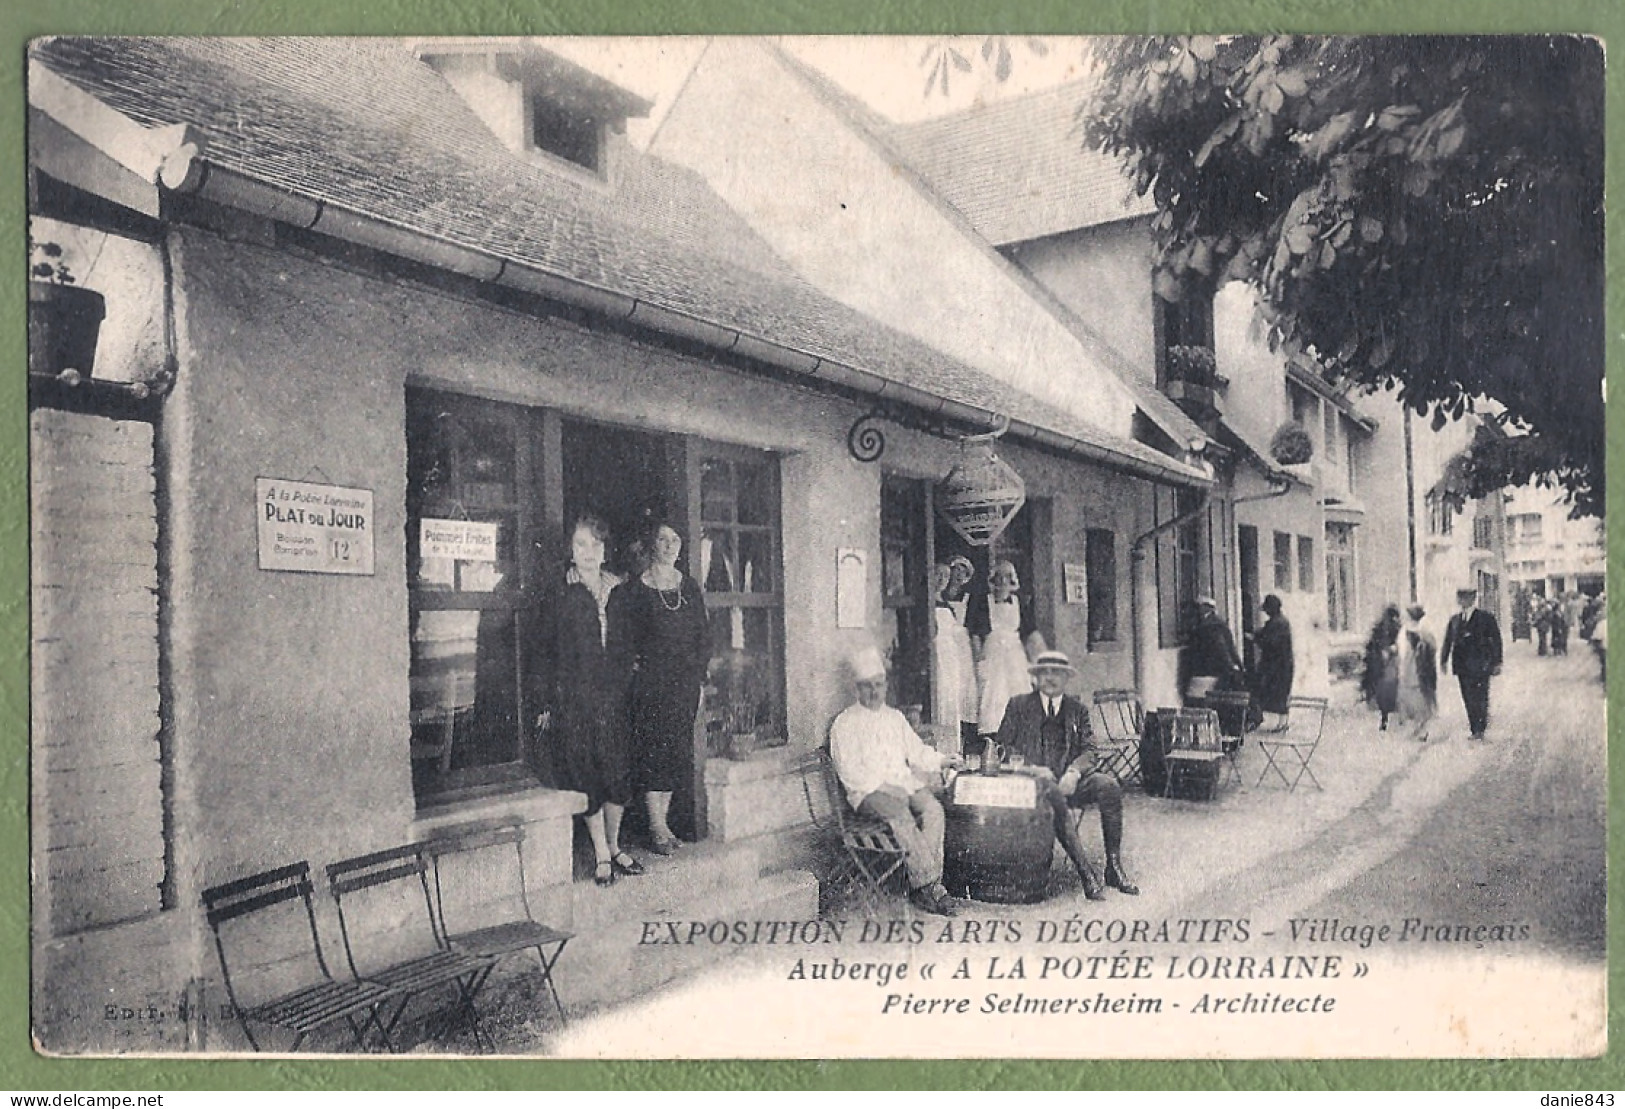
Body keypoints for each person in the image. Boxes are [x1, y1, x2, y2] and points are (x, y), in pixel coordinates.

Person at [533, 515, 643, 887]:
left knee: (618, 770)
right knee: (587, 771)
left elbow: (631, 643)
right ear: (571, 549)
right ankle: (599, 852)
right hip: (577, 699)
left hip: (615, 697)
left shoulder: (620, 591)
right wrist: (547, 701)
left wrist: (628, 679)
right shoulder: (560, 594)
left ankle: (614, 846)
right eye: (581, 544)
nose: (588, 553)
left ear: (605, 549)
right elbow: (544, 651)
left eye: (596, 545)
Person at [995, 650, 1139, 901]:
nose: (1050, 678)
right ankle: (1086, 872)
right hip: (1033, 784)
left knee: (1109, 785)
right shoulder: (1018, 706)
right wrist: (1032, 768)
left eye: (1056, 673)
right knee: (1053, 794)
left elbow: (1090, 749)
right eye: (1044, 672)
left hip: (1070, 781)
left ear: (1066, 678)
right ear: (1036, 677)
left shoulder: (1077, 710)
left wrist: (1074, 772)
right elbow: (1003, 746)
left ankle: (1113, 866)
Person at [829, 645, 961, 916]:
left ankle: (924, 885)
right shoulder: (844, 724)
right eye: (867, 687)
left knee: (933, 809)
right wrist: (884, 788)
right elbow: (849, 773)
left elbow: (916, 752)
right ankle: (933, 887)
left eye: (879, 685)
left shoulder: (894, 718)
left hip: (902, 784)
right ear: (856, 688)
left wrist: (941, 760)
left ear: (885, 685)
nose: (874, 692)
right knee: (900, 811)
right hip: (867, 793)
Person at [624, 519, 710, 856]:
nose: (670, 545)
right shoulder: (636, 590)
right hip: (651, 684)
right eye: (662, 539)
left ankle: (665, 823)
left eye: (675, 539)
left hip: (684, 684)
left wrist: (700, 678)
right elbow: (624, 639)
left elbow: (704, 637)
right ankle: (656, 824)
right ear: (652, 545)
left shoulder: (688, 587)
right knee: (652, 752)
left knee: (675, 751)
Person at [968, 559, 1041, 743]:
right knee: (993, 697)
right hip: (992, 656)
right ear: (992, 580)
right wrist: (979, 661)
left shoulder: (1020, 603)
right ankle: (994, 742)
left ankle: (1020, 741)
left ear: (1012, 581)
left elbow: (1030, 634)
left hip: (1014, 658)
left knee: (1018, 694)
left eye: (1007, 578)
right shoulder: (983, 603)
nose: (1002, 583)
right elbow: (976, 635)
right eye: (998, 578)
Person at [1440, 587, 1503, 741]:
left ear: (1473, 599)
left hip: (1481, 665)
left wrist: (1497, 662)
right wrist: (1443, 660)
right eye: (1460, 598)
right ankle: (1474, 727)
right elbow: (1448, 641)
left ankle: (1480, 729)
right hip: (1462, 666)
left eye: (1466, 598)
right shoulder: (1454, 620)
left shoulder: (1485, 618)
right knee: (1467, 697)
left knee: (1481, 696)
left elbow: (1496, 640)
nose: (1462, 601)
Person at [929, 561, 977, 758]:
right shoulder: (927, 604)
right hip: (937, 656)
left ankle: (953, 752)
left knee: (952, 702)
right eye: (938, 575)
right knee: (940, 700)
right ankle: (941, 753)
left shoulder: (947, 605)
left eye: (946, 577)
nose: (942, 580)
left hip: (951, 659)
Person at [1184, 595, 1243, 701]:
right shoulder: (1218, 623)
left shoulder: (1210, 626)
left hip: (1211, 671)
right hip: (1215, 671)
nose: (1196, 610)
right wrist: (1238, 665)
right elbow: (1231, 648)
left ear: (1206, 608)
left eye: (1198, 607)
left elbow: (1221, 648)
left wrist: (1230, 666)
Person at [1395, 604, 1438, 742]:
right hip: (1418, 669)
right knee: (1418, 697)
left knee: (1415, 697)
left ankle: (1420, 727)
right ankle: (1420, 727)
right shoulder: (1425, 631)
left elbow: (1402, 652)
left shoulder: (1410, 632)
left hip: (1413, 668)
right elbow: (1433, 648)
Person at [1252, 594, 1294, 731]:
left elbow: (1271, 643)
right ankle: (1281, 722)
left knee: (1277, 693)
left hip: (1278, 666)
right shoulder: (1280, 621)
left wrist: (1256, 638)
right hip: (1281, 665)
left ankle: (1279, 723)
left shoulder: (1278, 623)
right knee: (1281, 694)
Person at [1361, 604, 1402, 731]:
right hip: (1388, 666)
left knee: (1387, 692)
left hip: (1385, 666)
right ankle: (1390, 717)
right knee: (1391, 691)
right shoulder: (1392, 628)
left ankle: (1386, 718)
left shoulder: (1382, 628)